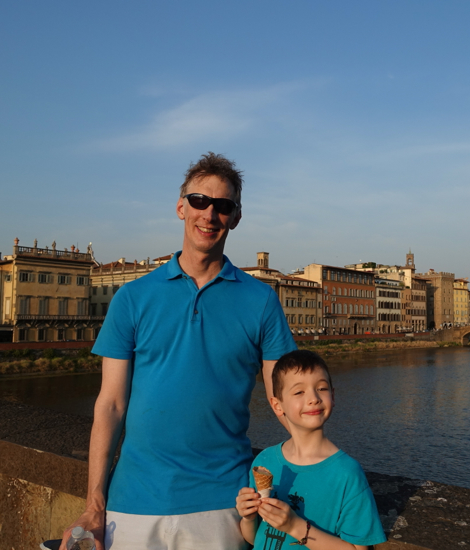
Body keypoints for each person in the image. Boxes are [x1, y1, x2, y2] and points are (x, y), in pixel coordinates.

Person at [63, 153, 297, 550]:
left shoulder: (261, 300)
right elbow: (111, 404)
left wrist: (325, 466)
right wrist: (94, 506)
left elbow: (284, 397)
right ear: (180, 207)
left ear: (235, 217)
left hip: (223, 506)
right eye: (199, 201)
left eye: (223, 206)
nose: (209, 214)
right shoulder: (132, 298)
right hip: (133, 504)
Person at [236, 350, 386, 550]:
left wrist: (295, 526)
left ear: (332, 395)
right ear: (277, 405)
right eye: (299, 392)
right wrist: (248, 517)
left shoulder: (347, 474)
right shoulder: (264, 461)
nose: (314, 398)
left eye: (321, 388)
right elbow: (255, 538)